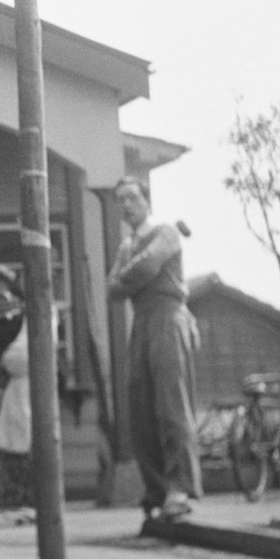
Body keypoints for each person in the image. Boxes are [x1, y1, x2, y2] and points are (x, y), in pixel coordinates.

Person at [108, 176, 202, 522]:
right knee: (141, 408)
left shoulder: (166, 233)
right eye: (120, 200)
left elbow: (145, 268)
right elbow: (112, 289)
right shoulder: (126, 246)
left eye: (132, 197)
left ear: (146, 200)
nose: (127, 205)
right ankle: (157, 489)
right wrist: (131, 274)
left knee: (171, 404)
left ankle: (180, 486)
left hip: (168, 317)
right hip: (142, 322)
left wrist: (128, 275)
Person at [0, 267, 36, 524]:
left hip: (25, 388)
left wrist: (3, 364)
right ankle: (18, 499)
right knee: (12, 446)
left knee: (27, 444)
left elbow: (20, 357)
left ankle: (31, 500)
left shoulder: (28, 319)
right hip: (7, 389)